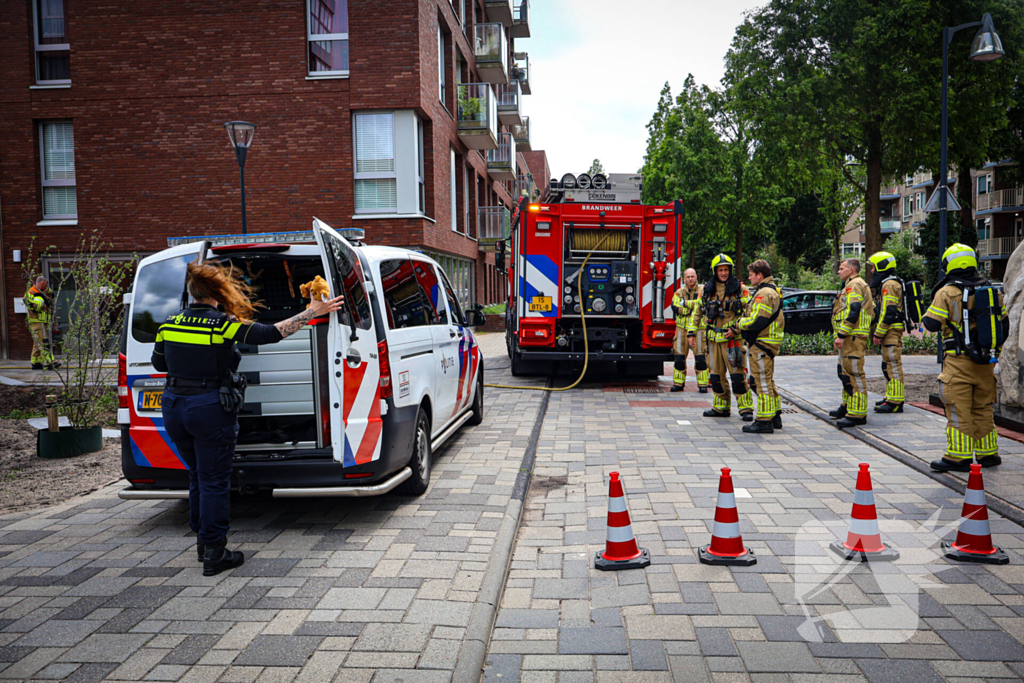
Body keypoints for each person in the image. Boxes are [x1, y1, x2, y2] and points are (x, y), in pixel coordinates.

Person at [152, 261, 344, 575]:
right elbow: (270, 334)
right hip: (209, 408)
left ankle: (203, 542)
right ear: (215, 293)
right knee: (214, 481)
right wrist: (312, 311)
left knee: (197, 475)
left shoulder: (168, 323)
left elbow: (160, 364)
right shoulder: (222, 324)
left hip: (174, 408)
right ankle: (214, 553)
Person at [922, 244, 1007, 472]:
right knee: (983, 408)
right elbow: (1004, 325)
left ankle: (958, 457)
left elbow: (931, 324)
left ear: (948, 263)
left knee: (959, 410)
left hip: (958, 362)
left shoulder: (947, 292)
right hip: (986, 363)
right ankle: (988, 454)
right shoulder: (992, 291)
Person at [689, 254, 754, 421]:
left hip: (732, 340)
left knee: (737, 376)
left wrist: (736, 329)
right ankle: (721, 407)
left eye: (726, 270)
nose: (723, 273)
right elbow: (697, 312)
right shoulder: (706, 290)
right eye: (720, 270)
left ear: (730, 270)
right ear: (715, 271)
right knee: (716, 376)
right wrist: (691, 332)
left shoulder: (741, 289)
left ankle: (745, 408)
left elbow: (749, 313)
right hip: (712, 341)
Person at [737, 260, 784, 433]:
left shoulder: (763, 293)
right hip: (767, 343)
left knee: (760, 383)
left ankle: (764, 421)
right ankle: (775, 415)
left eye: (751, 274)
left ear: (760, 275)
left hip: (762, 343)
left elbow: (759, 320)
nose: (749, 278)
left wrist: (739, 323)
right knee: (768, 382)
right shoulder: (770, 290)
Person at [829, 258, 874, 428]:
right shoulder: (852, 284)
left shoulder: (855, 284)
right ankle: (847, 405)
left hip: (853, 336)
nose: (838, 271)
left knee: (854, 374)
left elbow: (854, 310)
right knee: (844, 373)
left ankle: (857, 413)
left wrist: (841, 333)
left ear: (851, 270)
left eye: (842, 268)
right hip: (850, 336)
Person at [867, 251, 906, 413]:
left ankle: (895, 401)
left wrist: (878, 333)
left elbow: (889, 312)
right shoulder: (890, 283)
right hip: (890, 331)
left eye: (874, 267)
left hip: (891, 332)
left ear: (882, 266)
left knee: (892, 365)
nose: (871, 271)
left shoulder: (889, 285)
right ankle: (891, 396)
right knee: (887, 365)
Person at [670, 268, 710, 393]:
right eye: (688, 277)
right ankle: (678, 383)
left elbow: (704, 305)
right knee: (679, 358)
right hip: (681, 329)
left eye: (692, 276)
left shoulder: (704, 290)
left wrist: (685, 303)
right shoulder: (678, 292)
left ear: (696, 276)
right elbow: (675, 307)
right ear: (684, 278)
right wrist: (692, 308)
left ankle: (703, 384)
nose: (690, 279)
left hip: (699, 329)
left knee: (701, 358)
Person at [24, 275, 59, 370]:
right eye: (46, 284)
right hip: (37, 321)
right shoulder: (31, 292)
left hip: (42, 320)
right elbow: (29, 304)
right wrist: (41, 306)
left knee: (37, 342)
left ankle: (36, 362)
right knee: (43, 341)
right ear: (42, 283)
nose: (47, 287)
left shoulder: (42, 292)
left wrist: (47, 292)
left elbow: (51, 295)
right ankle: (50, 362)